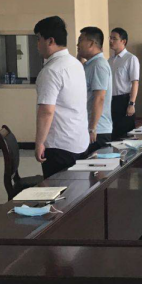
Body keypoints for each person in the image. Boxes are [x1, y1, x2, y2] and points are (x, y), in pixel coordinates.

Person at [33, 16, 87, 178]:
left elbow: (46, 111)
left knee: (58, 191)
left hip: (59, 146)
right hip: (79, 141)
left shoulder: (51, 71)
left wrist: (39, 142)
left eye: (38, 39)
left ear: (50, 41)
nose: (37, 44)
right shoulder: (75, 64)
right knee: (77, 189)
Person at [77, 26, 113, 150]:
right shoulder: (89, 64)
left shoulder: (98, 65)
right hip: (89, 127)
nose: (77, 44)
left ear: (91, 43)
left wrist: (92, 128)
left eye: (80, 40)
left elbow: (99, 98)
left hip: (97, 130)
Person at [109, 27, 140, 139]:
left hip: (124, 100)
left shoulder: (130, 58)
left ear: (123, 41)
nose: (111, 41)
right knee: (113, 134)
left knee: (125, 135)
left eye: (114, 38)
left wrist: (131, 104)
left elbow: (135, 82)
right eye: (110, 38)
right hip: (111, 100)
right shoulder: (110, 60)